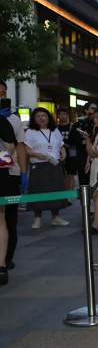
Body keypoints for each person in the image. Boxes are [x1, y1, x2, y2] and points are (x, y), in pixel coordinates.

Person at [25, 108, 69, 229]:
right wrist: (36, 154)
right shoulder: (30, 132)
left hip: (54, 164)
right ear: (34, 119)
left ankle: (56, 217)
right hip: (39, 164)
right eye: (38, 116)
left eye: (44, 116)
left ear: (49, 117)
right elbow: (26, 150)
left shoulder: (55, 131)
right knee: (38, 191)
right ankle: (37, 218)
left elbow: (60, 144)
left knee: (55, 190)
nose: (41, 118)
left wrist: (63, 151)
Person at [0, 81, 28, 270]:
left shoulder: (14, 120)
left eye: (3, 93)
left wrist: (24, 171)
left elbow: (18, 147)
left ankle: (6, 257)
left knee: (9, 217)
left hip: (10, 173)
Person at [0, 115, 17, 285]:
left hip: (0, 174)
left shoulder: (1, 121)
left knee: (0, 220)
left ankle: (1, 265)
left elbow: (11, 147)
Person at [69, 102, 97, 187]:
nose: (94, 111)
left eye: (95, 109)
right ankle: (85, 199)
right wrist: (82, 142)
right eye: (92, 108)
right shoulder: (78, 125)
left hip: (96, 155)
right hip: (82, 155)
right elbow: (71, 140)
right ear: (86, 110)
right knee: (84, 180)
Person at [57, 107, 76, 203]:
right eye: (60, 114)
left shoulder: (73, 126)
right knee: (62, 174)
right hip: (59, 153)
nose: (62, 116)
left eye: (64, 114)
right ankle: (65, 194)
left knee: (71, 174)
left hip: (72, 153)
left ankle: (70, 195)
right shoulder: (56, 128)